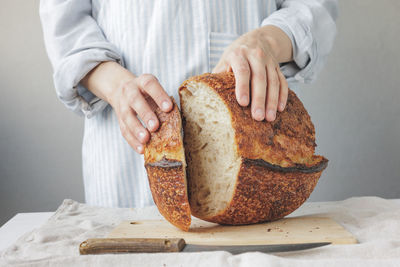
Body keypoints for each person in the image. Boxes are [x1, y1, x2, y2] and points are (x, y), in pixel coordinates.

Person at [40, 0, 338, 208]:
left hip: (256, 149)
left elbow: (313, 5)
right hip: (125, 165)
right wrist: (118, 88)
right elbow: (65, 24)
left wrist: (268, 41)